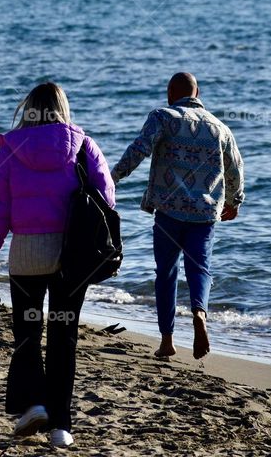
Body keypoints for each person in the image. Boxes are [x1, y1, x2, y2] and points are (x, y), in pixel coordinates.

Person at [0, 82, 115, 449]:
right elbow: (106, 199)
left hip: (27, 255)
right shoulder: (84, 146)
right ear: (63, 108)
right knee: (63, 337)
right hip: (72, 256)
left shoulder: (9, 150)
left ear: (29, 109)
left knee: (28, 334)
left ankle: (35, 404)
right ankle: (61, 427)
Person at [111, 72, 244, 360]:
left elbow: (139, 150)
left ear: (171, 93)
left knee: (166, 273)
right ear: (198, 93)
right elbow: (235, 169)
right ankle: (199, 313)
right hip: (205, 213)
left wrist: (113, 177)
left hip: (169, 211)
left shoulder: (163, 116)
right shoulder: (220, 127)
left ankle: (167, 340)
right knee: (200, 269)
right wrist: (234, 201)